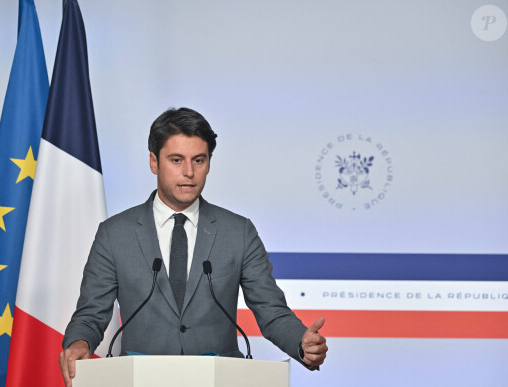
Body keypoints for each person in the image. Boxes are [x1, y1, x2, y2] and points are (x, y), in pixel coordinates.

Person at [58, 107, 328, 386]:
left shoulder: (238, 232)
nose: (189, 172)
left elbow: (271, 311)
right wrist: (79, 342)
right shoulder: (115, 234)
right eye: (176, 160)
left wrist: (302, 343)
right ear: (154, 162)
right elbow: (90, 314)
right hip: (140, 379)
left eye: (198, 160)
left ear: (209, 163)